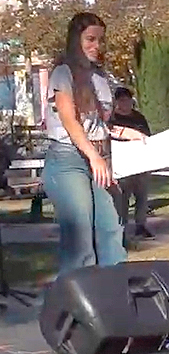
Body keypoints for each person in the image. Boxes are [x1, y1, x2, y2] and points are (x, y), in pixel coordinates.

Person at [42, 12, 146, 275]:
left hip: (99, 158)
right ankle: (77, 306)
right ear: (75, 39)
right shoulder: (62, 74)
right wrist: (94, 157)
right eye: (90, 39)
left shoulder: (101, 78)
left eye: (100, 40)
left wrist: (126, 133)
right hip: (69, 159)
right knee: (80, 238)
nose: (96, 46)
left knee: (112, 228)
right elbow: (70, 121)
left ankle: (116, 293)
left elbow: (100, 124)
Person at [109, 87, 153, 239]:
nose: (125, 103)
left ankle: (141, 225)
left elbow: (148, 136)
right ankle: (121, 226)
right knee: (122, 197)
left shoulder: (139, 118)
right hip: (122, 163)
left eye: (127, 100)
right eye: (121, 100)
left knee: (142, 196)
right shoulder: (112, 119)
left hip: (140, 162)